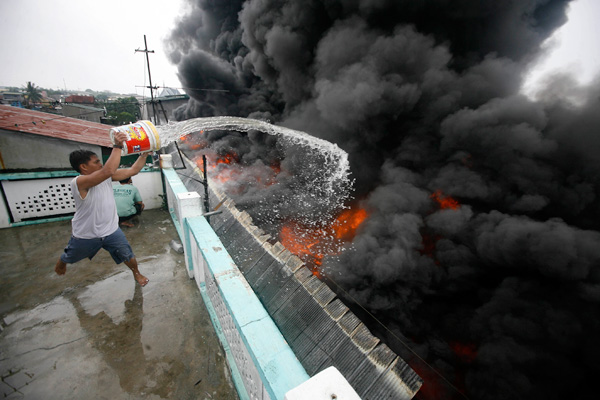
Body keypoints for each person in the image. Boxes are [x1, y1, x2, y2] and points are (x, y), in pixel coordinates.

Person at [54, 130, 150, 287]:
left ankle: (136, 273)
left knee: (128, 255)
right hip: (86, 234)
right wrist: (117, 146)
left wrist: (144, 154)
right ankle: (63, 261)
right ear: (83, 167)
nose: (100, 164)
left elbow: (133, 171)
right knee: (71, 256)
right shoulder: (79, 182)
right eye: (96, 162)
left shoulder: (106, 177)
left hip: (111, 230)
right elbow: (108, 170)